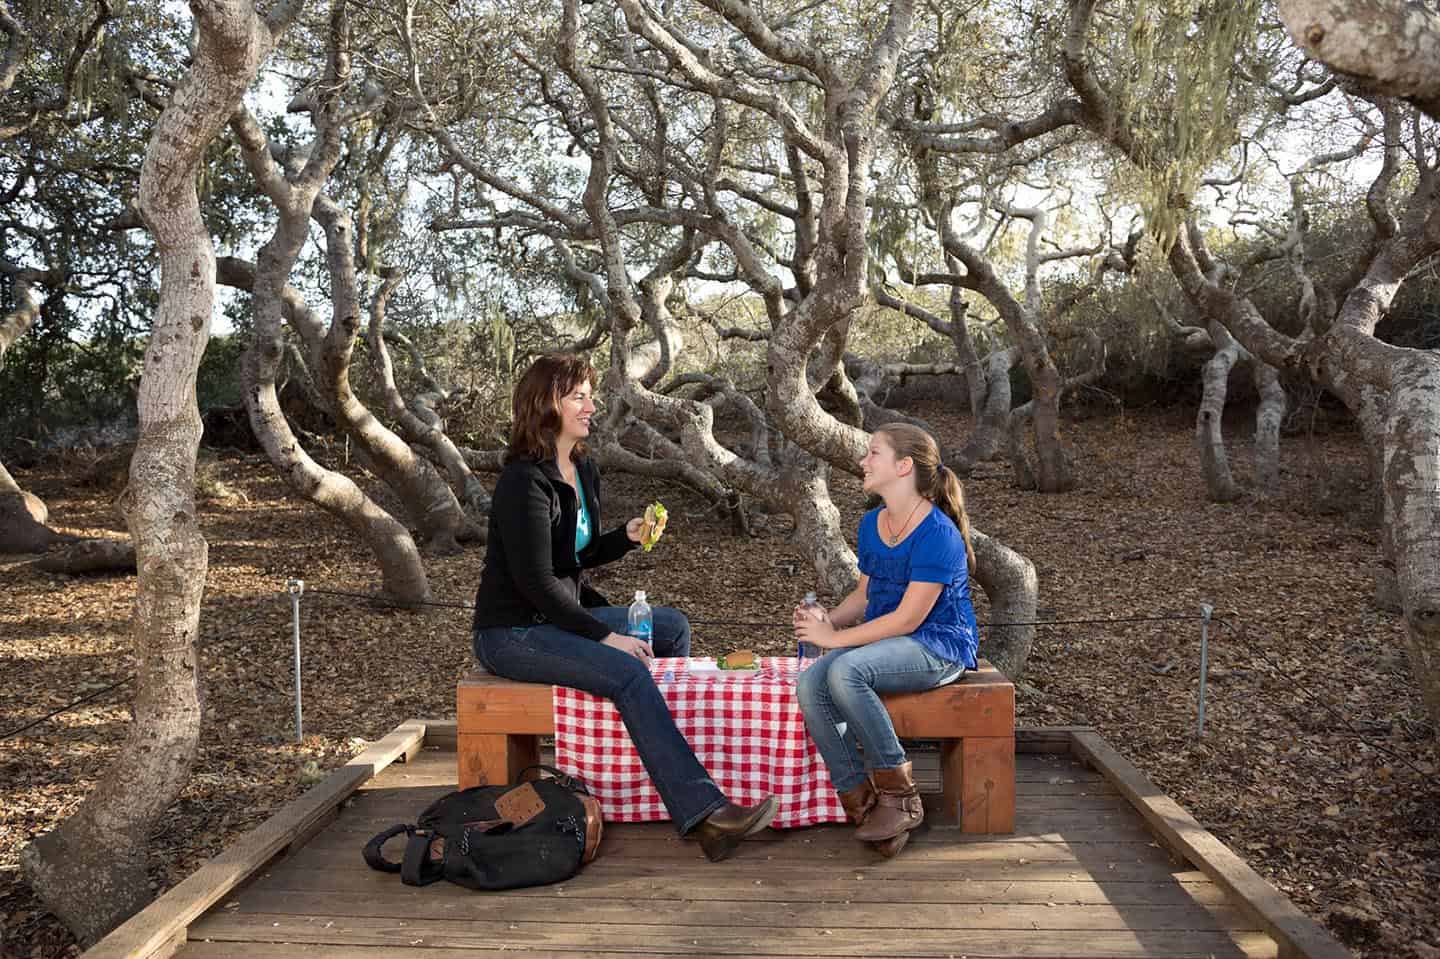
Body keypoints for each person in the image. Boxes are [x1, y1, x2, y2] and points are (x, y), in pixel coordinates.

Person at [472, 353, 777, 861]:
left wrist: (627, 537)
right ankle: (705, 815)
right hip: (513, 631)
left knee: (670, 629)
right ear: (547, 404)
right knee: (628, 672)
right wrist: (604, 636)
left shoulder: (582, 468)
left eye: (591, 395)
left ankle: (653, 779)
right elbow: (535, 581)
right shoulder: (523, 481)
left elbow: (579, 555)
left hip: (556, 616)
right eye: (579, 397)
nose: (592, 405)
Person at [793, 424, 977, 857]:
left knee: (845, 669)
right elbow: (864, 595)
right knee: (810, 686)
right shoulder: (872, 523)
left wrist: (833, 639)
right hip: (887, 642)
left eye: (873, 453)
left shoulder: (938, 534)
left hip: (938, 645)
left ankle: (900, 798)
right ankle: (863, 802)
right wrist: (825, 620)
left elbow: (908, 618)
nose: (863, 461)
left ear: (903, 466)